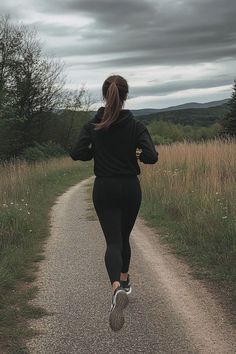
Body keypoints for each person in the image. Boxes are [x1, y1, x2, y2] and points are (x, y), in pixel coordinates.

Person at [69, 74, 158, 331]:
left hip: (105, 187)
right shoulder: (136, 125)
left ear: (104, 95)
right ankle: (125, 281)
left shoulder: (93, 125)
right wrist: (138, 154)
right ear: (126, 95)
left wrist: (93, 151)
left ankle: (117, 287)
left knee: (113, 242)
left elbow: (77, 153)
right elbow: (152, 157)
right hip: (130, 187)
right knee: (124, 237)